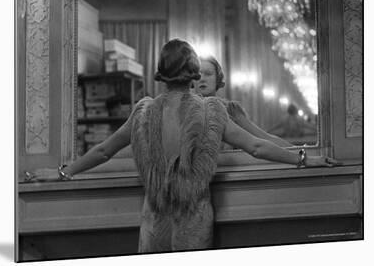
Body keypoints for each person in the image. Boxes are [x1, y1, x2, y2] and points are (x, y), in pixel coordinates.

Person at [26, 38, 339, 253]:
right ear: (193, 73)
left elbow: (104, 150)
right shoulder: (211, 111)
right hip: (194, 216)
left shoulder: (143, 111)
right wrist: (304, 159)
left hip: (153, 218)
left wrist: (63, 172)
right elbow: (256, 146)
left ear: (162, 73)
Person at [193, 55, 291, 147]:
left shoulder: (231, 110)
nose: (202, 79)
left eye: (208, 74)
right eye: (198, 74)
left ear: (217, 79)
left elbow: (263, 137)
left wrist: (298, 151)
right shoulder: (184, 109)